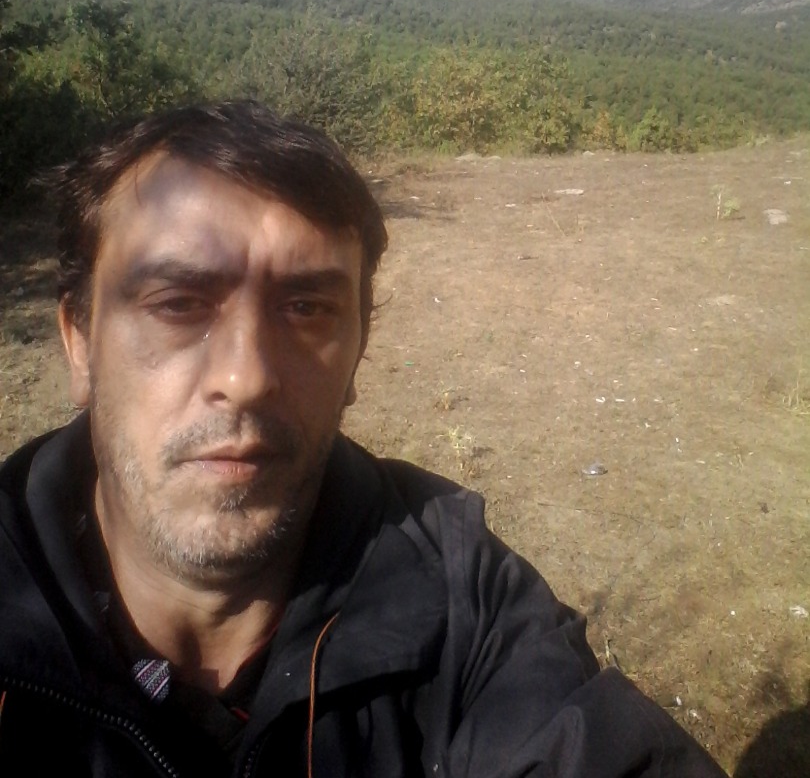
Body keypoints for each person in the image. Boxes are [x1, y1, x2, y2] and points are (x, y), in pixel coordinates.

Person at [0, 100, 725, 776]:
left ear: (358, 353)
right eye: (179, 303)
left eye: (306, 307)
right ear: (79, 343)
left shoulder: (461, 606)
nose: (246, 377)